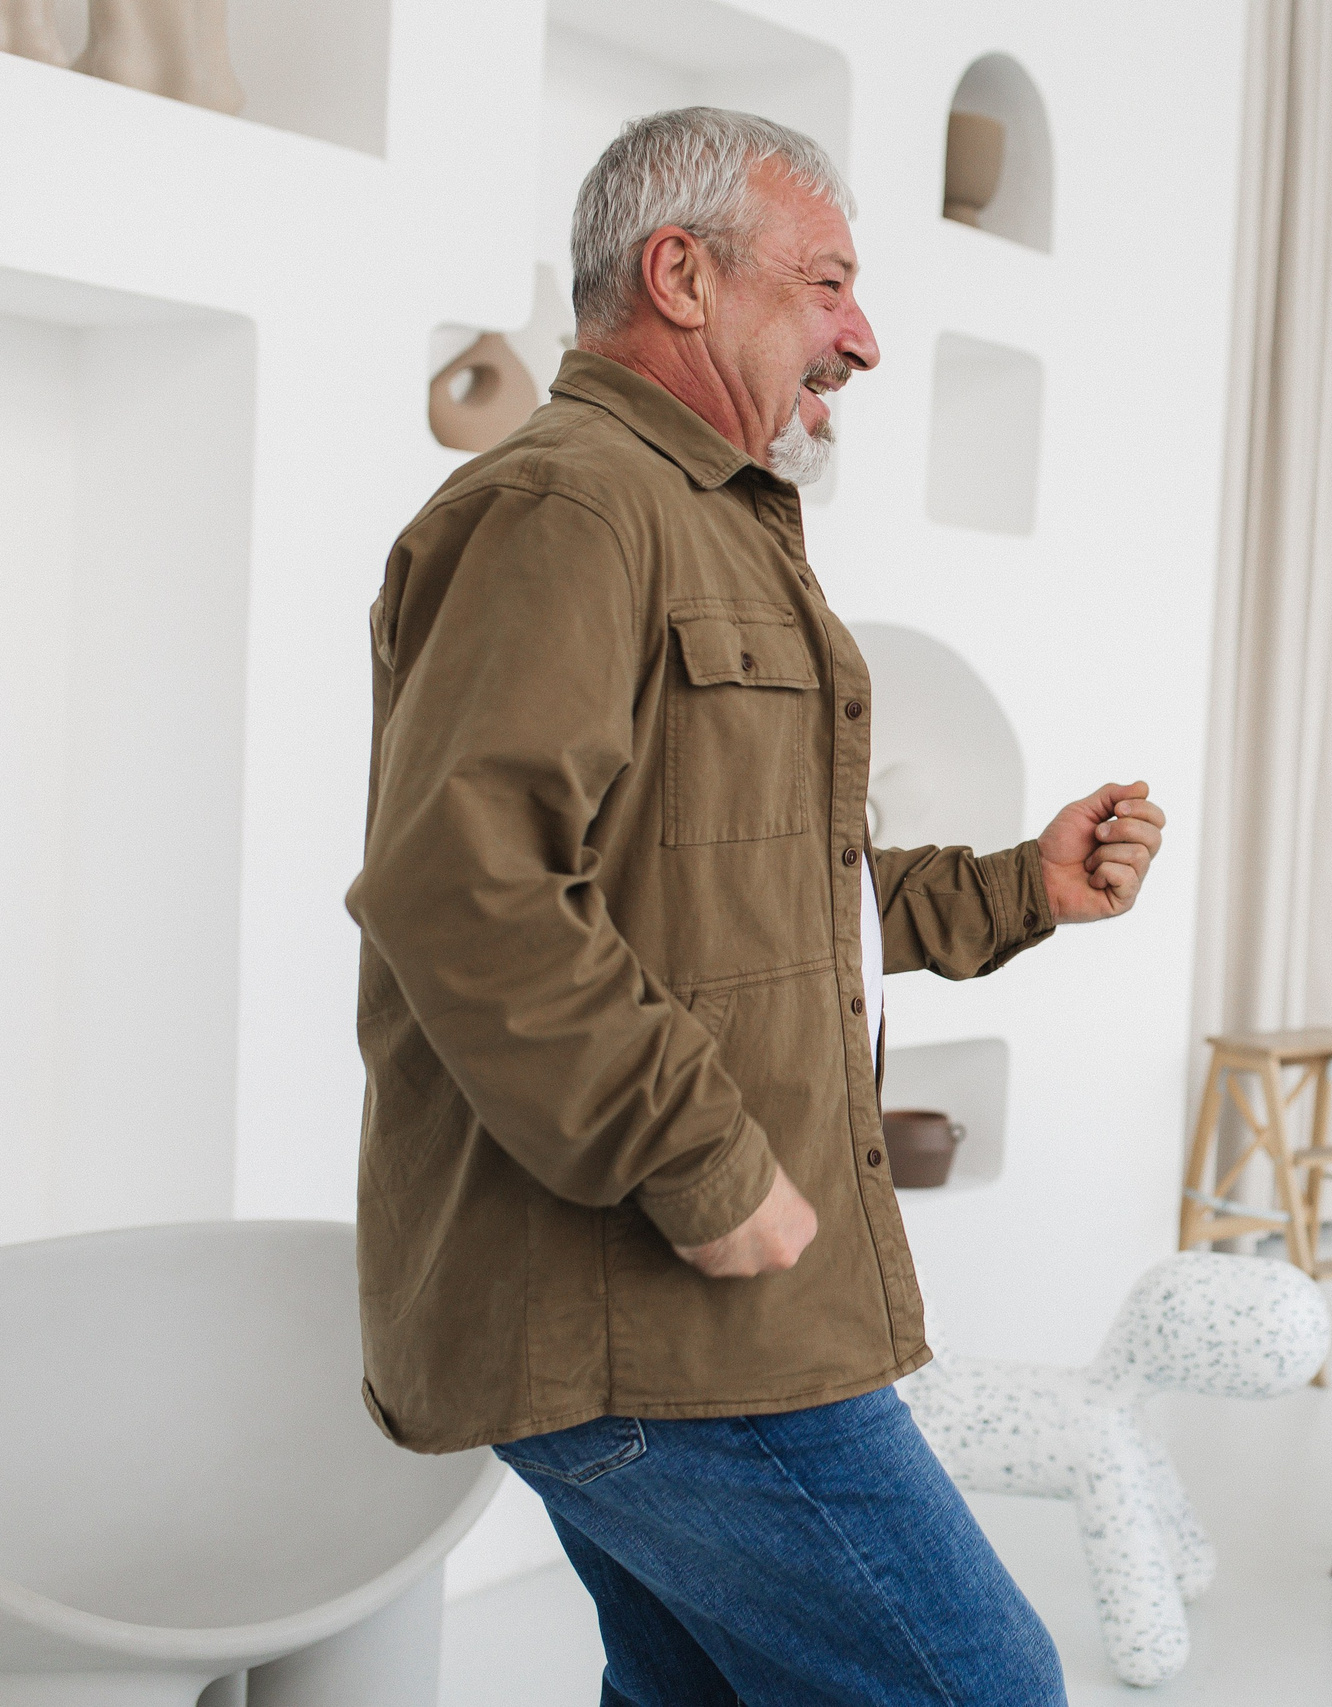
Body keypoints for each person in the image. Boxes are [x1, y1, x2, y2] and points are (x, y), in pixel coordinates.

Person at [345, 107, 1163, 1705]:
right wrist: (705, 1164)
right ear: (682, 275)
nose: (864, 336)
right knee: (985, 1687)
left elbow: (773, 899)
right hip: (651, 1310)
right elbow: (466, 888)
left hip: (678, 1315)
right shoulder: (572, 509)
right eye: (830, 283)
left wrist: (1025, 889)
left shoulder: (710, 518)